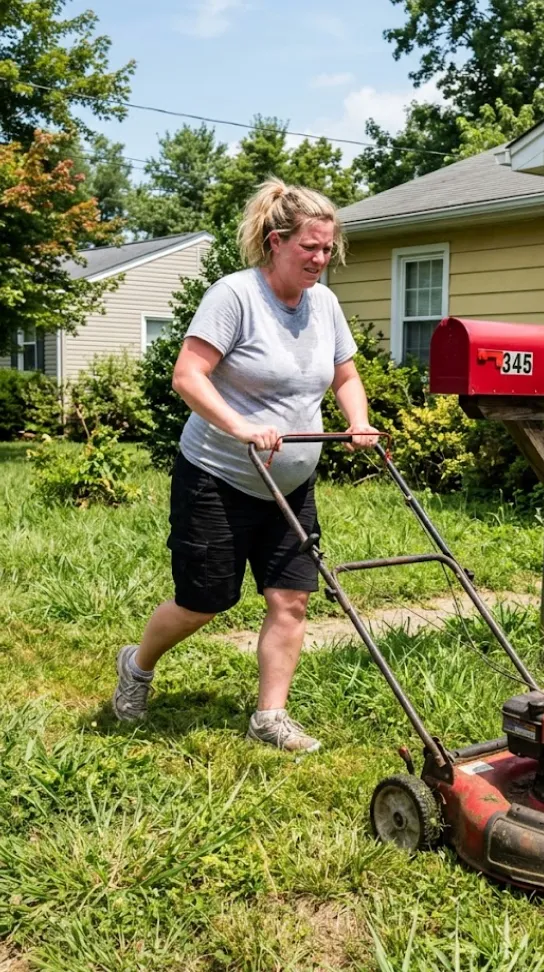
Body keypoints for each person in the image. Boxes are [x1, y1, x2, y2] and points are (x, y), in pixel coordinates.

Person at [111, 178, 379, 752]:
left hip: (291, 484)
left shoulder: (325, 304)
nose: (321, 258)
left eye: (328, 248)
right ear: (276, 241)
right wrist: (241, 427)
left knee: (292, 598)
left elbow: (345, 375)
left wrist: (357, 420)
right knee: (203, 602)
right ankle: (136, 664)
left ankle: (270, 717)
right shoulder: (234, 296)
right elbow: (188, 375)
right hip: (219, 475)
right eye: (310, 247)